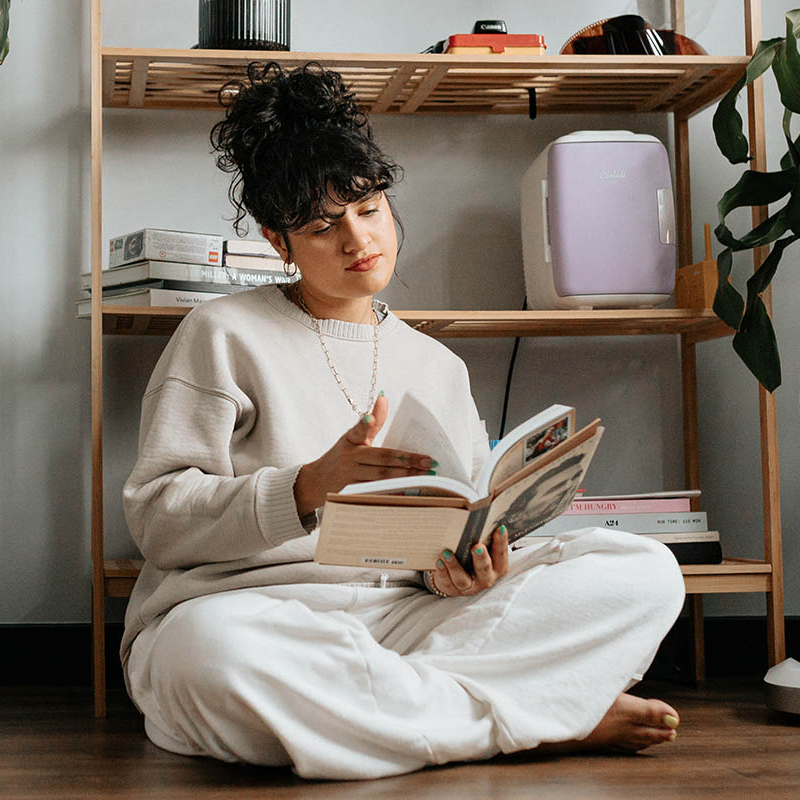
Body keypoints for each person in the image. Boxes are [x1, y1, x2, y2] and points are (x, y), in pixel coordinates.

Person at [120, 61, 685, 781]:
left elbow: (443, 535)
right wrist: (304, 489)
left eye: (369, 208)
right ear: (277, 240)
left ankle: (429, 716)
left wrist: (460, 572)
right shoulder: (221, 333)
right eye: (323, 226)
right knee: (214, 658)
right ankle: (540, 719)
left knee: (644, 571)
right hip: (253, 615)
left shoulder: (436, 366)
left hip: (405, 626)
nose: (358, 240)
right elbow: (157, 518)